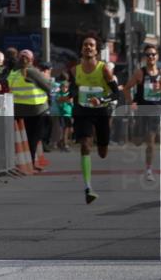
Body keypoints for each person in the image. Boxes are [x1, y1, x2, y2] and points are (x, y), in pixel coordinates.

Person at [70, 33, 120, 204]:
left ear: (96, 50)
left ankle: (101, 139)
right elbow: (73, 90)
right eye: (85, 45)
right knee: (85, 145)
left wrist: (101, 99)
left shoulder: (104, 69)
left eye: (91, 45)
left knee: (102, 153)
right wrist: (68, 94)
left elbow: (116, 94)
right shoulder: (75, 70)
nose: (88, 47)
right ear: (81, 49)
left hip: (101, 112)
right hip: (83, 112)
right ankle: (88, 188)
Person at [122, 44, 161, 182]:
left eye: (153, 54)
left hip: (155, 111)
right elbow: (127, 88)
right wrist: (130, 102)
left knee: (150, 141)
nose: (151, 57)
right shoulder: (139, 73)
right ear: (145, 58)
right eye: (148, 55)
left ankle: (148, 169)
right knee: (137, 141)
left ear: (157, 56)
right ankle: (135, 134)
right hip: (141, 110)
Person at [8, 49, 53, 172]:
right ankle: (31, 164)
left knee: (23, 139)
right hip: (36, 110)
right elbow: (48, 87)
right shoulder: (32, 71)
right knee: (33, 139)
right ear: (32, 60)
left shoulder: (14, 72)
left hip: (18, 110)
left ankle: (23, 164)